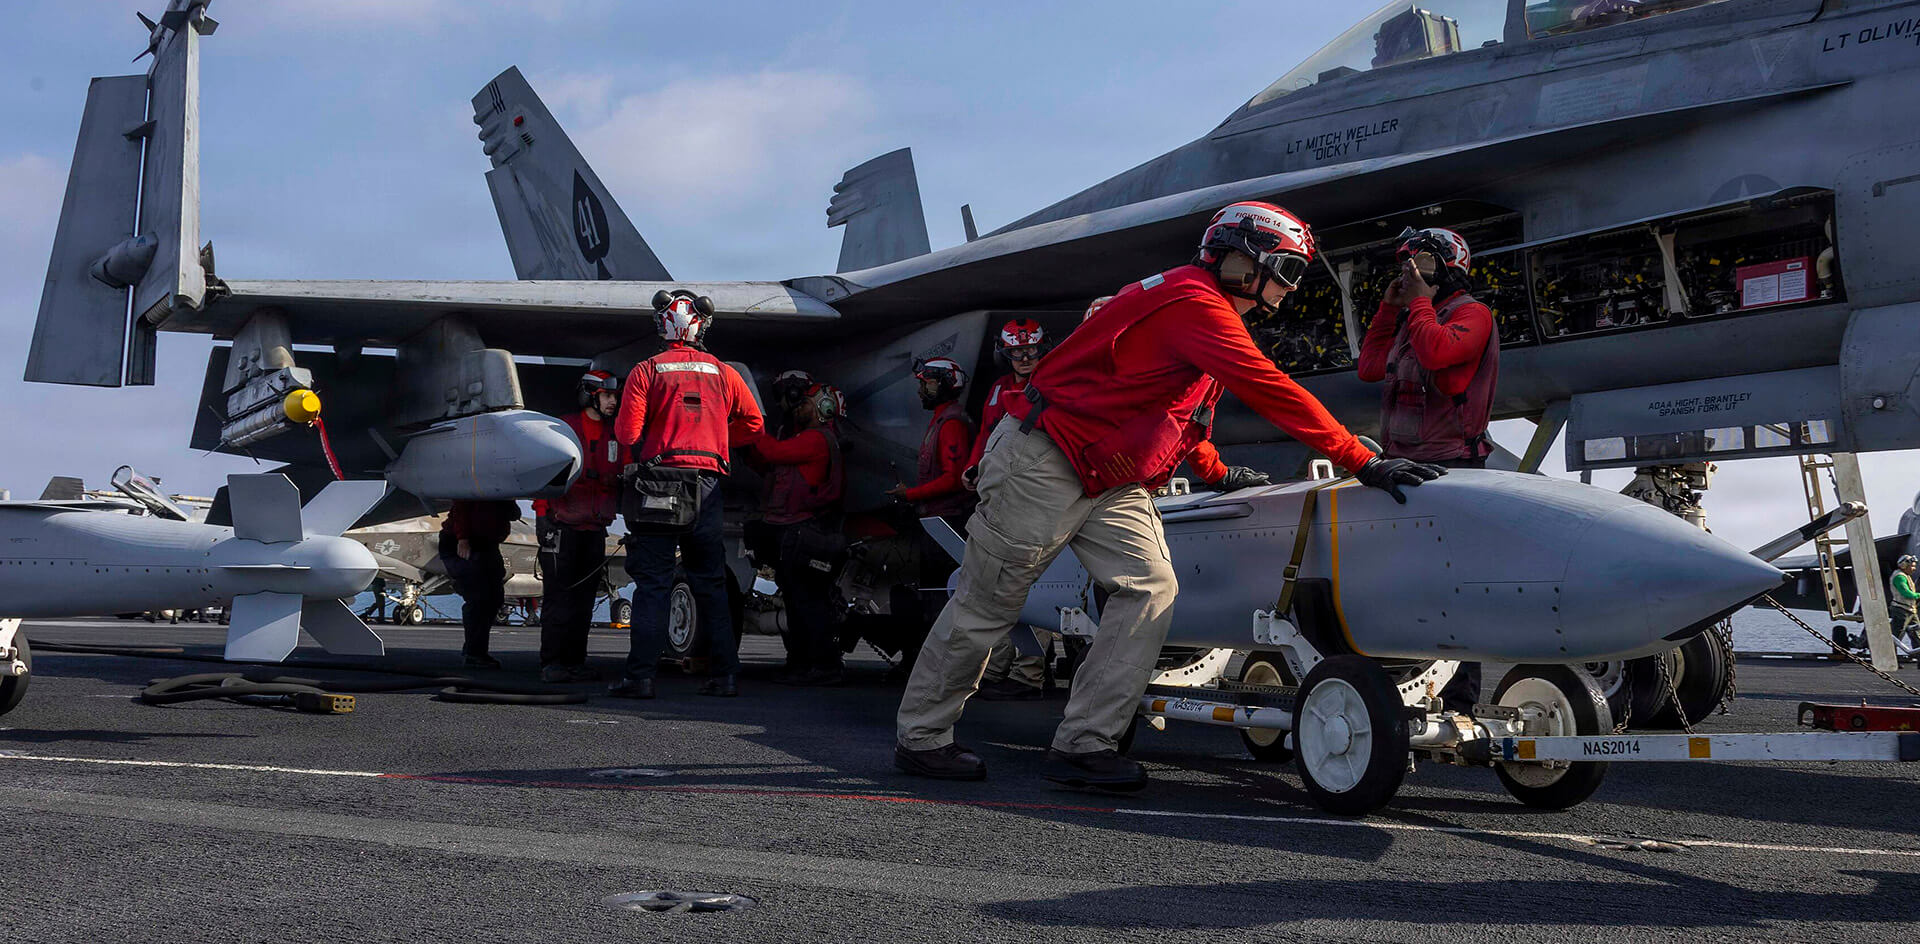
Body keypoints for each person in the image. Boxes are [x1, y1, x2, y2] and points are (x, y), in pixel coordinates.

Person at [892, 201, 1444, 790]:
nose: (1289, 286)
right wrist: (1364, 460)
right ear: (1240, 260)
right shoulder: (1194, 303)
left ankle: (1085, 742)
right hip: (1046, 458)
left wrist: (1216, 471)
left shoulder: (1195, 307)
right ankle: (922, 737)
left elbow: (1172, 412)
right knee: (990, 600)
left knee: (1150, 587)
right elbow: (1268, 388)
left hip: (1110, 473)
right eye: (1284, 269)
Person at [1356, 226, 1499, 712]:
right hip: (1404, 465)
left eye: (1421, 264)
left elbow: (1440, 353)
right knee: (1403, 578)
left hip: (1451, 468)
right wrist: (1389, 308)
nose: (1413, 272)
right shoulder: (1415, 319)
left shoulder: (1472, 314)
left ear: (1447, 266)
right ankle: (1407, 680)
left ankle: (1461, 698)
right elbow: (1371, 366)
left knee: (1452, 580)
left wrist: (1415, 306)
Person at [609, 290, 765, 699]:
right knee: (711, 583)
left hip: (661, 484)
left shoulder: (647, 371)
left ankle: (640, 677)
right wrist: (715, 440)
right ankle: (726, 675)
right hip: (709, 484)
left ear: (662, 325)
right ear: (701, 326)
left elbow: (626, 433)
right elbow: (754, 425)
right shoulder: (725, 373)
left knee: (654, 584)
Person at [747, 383, 849, 685]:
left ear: (824, 409)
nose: (798, 408)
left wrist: (750, 427)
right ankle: (803, 663)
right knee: (797, 599)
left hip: (806, 532)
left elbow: (772, 451)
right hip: (800, 531)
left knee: (807, 601)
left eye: (805, 403)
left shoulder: (816, 440)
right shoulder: (812, 439)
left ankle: (821, 664)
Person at [536, 369, 624, 683]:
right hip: (561, 527)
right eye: (608, 395)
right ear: (591, 395)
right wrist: (543, 517)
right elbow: (545, 472)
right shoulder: (565, 428)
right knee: (559, 598)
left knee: (585, 600)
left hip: (594, 529)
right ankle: (552, 663)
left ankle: (575, 660)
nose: (614, 401)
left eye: (614, 395)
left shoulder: (616, 435)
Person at [438, 498, 520, 668]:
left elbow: (514, 514)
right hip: (467, 542)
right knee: (479, 599)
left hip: (485, 544)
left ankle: (474, 650)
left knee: (492, 598)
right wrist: (463, 539)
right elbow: (462, 507)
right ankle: (474, 653)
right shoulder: (476, 488)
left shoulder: (498, 491)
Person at [1893, 555, 1920, 652]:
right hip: (1901, 611)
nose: (1914, 569)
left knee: (1917, 635)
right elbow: (1906, 593)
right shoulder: (1899, 577)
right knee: (1896, 637)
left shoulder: (1906, 576)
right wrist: (1918, 595)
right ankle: (1890, 661)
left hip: (1911, 610)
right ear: (1904, 566)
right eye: (1912, 566)